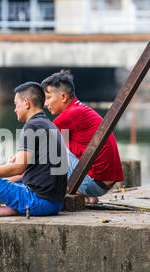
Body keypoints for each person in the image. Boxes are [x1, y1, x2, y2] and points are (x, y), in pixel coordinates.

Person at [0, 82, 68, 217]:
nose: (15, 109)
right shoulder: (48, 125)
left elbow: (18, 168)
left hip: (39, 203)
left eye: (16, 104)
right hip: (55, 204)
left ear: (26, 103)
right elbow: (23, 173)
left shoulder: (31, 126)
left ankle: (14, 208)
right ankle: (13, 208)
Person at [41, 70, 124, 204]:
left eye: (48, 97)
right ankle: (84, 194)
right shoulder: (81, 109)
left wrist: (12, 174)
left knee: (47, 153)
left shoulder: (69, 115)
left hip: (93, 182)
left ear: (63, 97)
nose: (45, 104)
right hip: (103, 183)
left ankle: (79, 190)